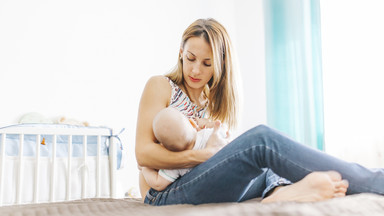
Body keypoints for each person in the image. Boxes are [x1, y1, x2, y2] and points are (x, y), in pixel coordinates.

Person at [135, 18, 383, 206]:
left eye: (207, 63)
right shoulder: (161, 85)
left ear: (220, 65)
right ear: (181, 53)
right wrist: (204, 156)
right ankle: (375, 180)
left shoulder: (213, 101)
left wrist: (215, 153)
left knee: (269, 162)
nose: (196, 70)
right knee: (261, 141)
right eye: (190, 58)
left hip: (204, 182)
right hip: (163, 193)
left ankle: (280, 193)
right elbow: (143, 154)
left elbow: (221, 159)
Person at [141, 106, 227, 191]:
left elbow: (158, 184)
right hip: (222, 177)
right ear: (192, 123)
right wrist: (208, 124)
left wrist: (145, 168)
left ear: (163, 146)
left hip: (202, 189)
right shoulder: (208, 134)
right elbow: (224, 130)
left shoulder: (174, 165)